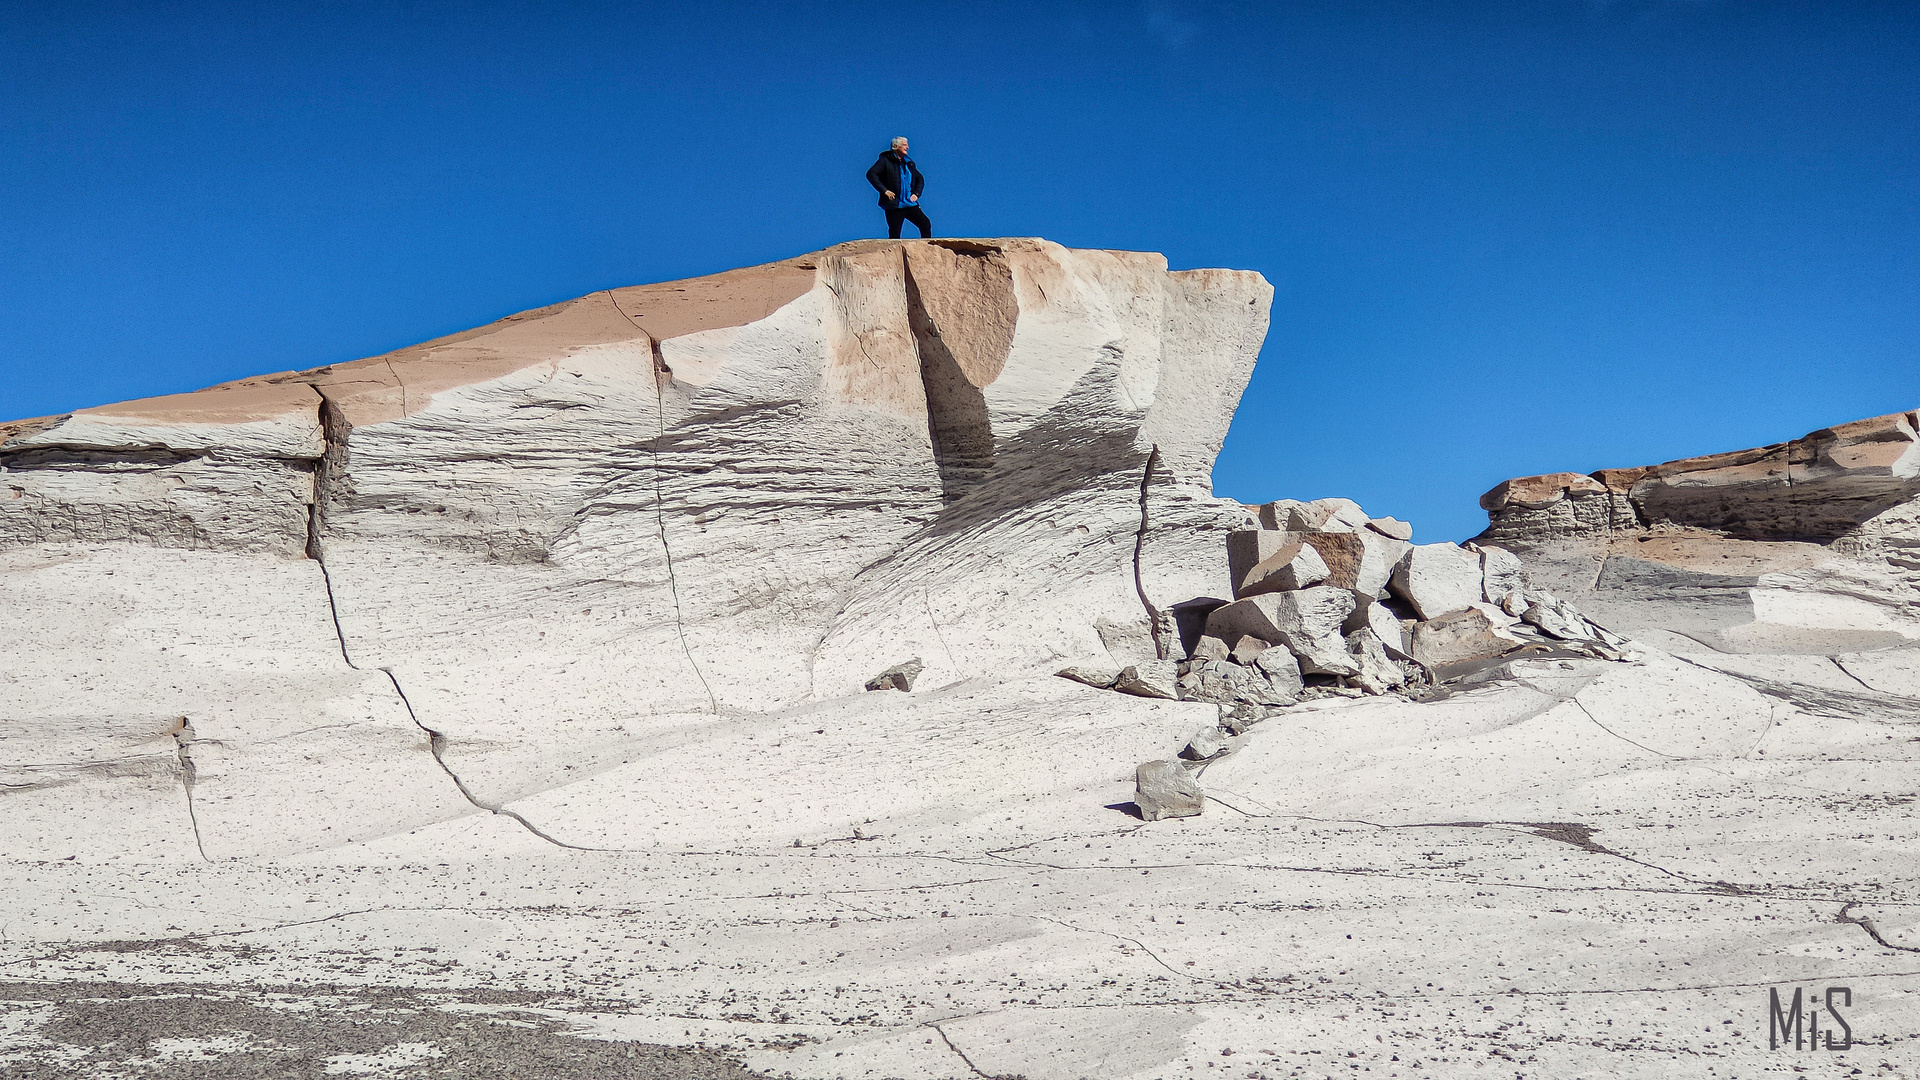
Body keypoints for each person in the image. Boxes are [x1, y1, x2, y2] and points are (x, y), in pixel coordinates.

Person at [866, 137, 931, 239]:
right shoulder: (885, 161)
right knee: (895, 233)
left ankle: (927, 249)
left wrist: (916, 194)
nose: (908, 147)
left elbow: (920, 179)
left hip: (909, 204)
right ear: (896, 146)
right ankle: (893, 254)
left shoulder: (909, 163)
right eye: (905, 145)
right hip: (894, 205)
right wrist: (885, 191)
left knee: (925, 224)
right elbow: (871, 174)